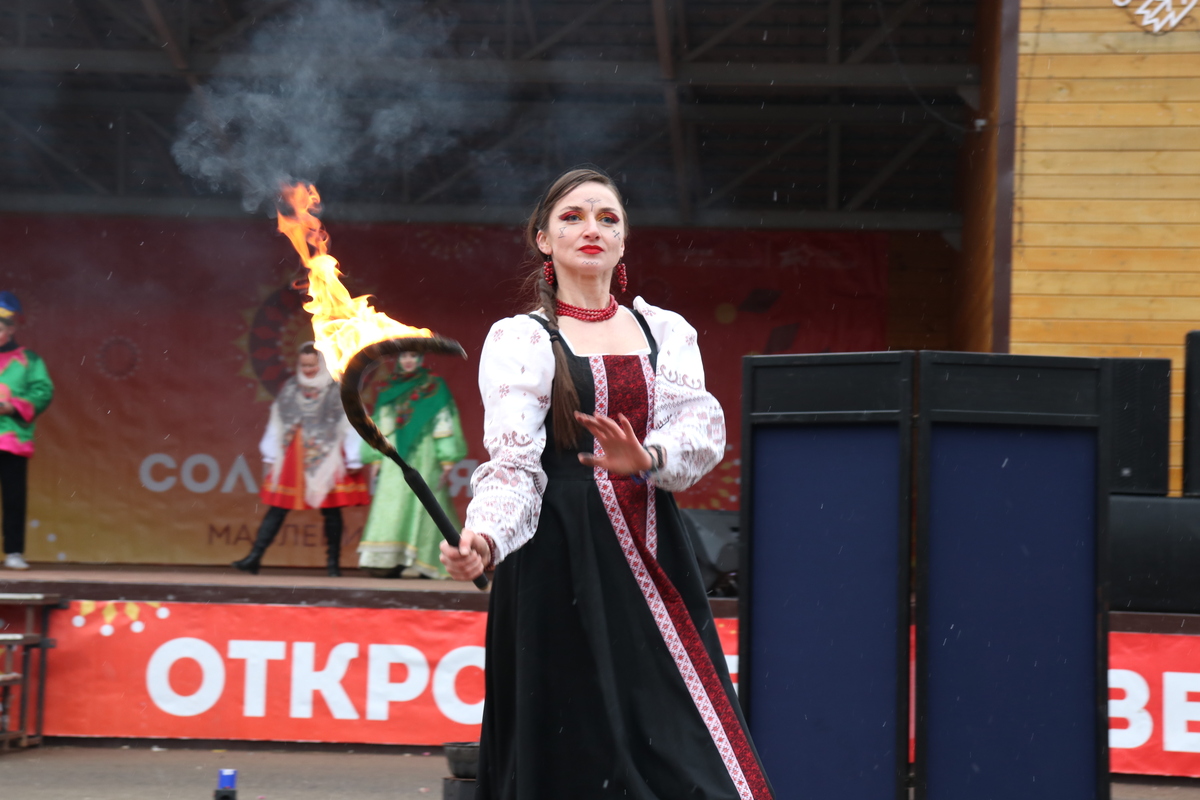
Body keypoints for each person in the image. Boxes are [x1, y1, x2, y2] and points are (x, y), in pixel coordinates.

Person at [441, 168, 775, 799]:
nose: (590, 228)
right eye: (571, 217)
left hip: (652, 557)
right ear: (543, 239)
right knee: (571, 749)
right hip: (555, 562)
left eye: (607, 218)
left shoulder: (664, 331)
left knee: (687, 747)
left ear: (624, 240)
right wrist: (484, 537)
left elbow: (701, 430)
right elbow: (515, 466)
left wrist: (646, 455)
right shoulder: (522, 339)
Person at [233, 343, 369, 576]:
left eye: (312, 365)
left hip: (327, 453)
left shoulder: (336, 388)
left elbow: (352, 421)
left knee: (331, 510)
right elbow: (277, 422)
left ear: (322, 364)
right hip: (294, 454)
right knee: (278, 507)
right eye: (304, 365)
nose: (308, 370)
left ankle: (333, 566)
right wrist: (270, 454)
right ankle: (254, 558)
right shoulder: (291, 388)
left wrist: (354, 457)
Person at [357, 351, 467, 578]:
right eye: (404, 356)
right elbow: (379, 423)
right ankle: (388, 562)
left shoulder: (434, 386)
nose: (408, 360)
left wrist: (447, 456)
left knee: (426, 504)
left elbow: (443, 419)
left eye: (413, 356)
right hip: (394, 453)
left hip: (425, 451)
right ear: (397, 360)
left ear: (420, 359)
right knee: (392, 503)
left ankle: (425, 562)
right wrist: (376, 456)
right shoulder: (389, 387)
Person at [0, 292, 53, 571]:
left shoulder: (28, 360)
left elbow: (43, 391)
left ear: (11, 329)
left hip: (12, 439)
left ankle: (14, 551)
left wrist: (13, 407)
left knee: (13, 498)